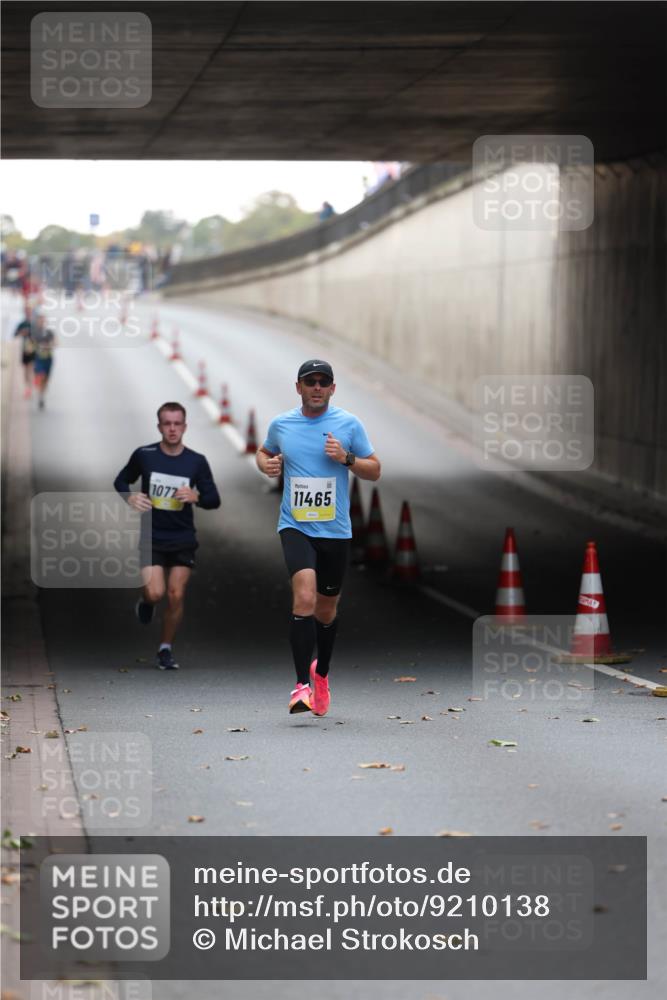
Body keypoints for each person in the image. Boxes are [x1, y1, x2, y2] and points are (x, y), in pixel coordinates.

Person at [257, 360, 381, 715]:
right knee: (305, 596)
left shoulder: (348, 424)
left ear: (332, 388)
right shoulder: (282, 424)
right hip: (295, 525)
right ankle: (301, 687)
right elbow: (264, 451)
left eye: (322, 382)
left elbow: (375, 470)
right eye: (309, 382)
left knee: (326, 610)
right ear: (298, 387)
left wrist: (347, 458)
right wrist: (264, 464)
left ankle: (321, 672)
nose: (316, 387)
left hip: (335, 531)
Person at [113, 402, 221, 670]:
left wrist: (196, 497)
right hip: (152, 535)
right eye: (167, 424)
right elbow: (121, 480)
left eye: (177, 424)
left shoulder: (196, 461)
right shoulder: (145, 455)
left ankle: (165, 648)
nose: (172, 429)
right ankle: (146, 601)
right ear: (159, 426)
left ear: (184, 426)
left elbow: (213, 500)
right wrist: (130, 496)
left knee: (175, 594)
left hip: (183, 537)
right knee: (156, 592)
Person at [31, 311, 56, 410]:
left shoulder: (49, 332)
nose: (41, 322)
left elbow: (56, 343)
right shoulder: (35, 332)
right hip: (38, 357)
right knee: (40, 375)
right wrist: (37, 346)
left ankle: (42, 395)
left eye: (43, 320)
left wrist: (49, 345)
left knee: (46, 380)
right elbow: (31, 343)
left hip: (48, 358)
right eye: (40, 320)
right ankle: (39, 392)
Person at [13, 307, 36, 398]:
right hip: (24, 350)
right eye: (27, 312)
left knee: (31, 369)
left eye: (29, 311)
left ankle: (30, 388)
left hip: (33, 349)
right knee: (26, 371)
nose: (28, 313)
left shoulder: (34, 323)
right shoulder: (22, 324)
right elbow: (15, 335)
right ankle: (27, 387)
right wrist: (22, 333)